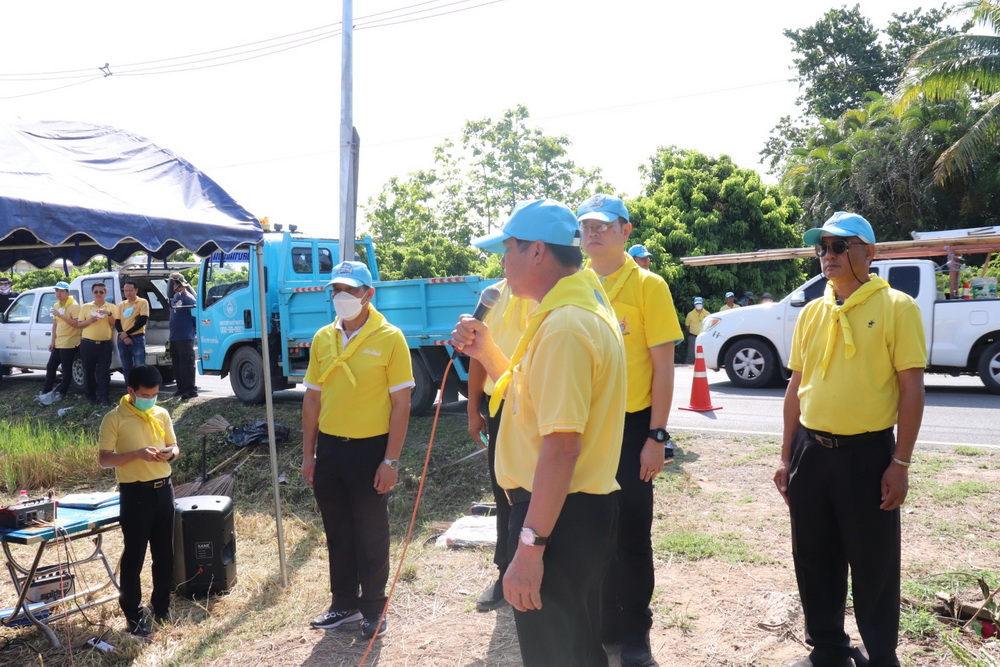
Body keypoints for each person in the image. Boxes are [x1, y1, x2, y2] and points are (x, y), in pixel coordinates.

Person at [452, 198, 626, 667]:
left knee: (555, 654)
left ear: (536, 252)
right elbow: (530, 398)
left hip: (556, 517)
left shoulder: (565, 326)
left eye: (508, 249)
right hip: (567, 513)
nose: (503, 263)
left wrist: (530, 549)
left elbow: (562, 448)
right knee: (578, 649)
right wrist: (487, 352)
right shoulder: (570, 310)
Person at [774, 212, 926, 667]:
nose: (829, 255)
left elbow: (911, 388)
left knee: (874, 561)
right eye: (822, 247)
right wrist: (785, 455)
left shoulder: (897, 307)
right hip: (811, 451)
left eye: (840, 246)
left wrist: (900, 463)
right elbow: (796, 386)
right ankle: (829, 648)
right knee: (813, 555)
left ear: (869, 252)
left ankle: (881, 654)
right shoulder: (813, 311)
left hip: (867, 454)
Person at [577, 193, 682, 667]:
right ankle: (604, 624)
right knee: (590, 531)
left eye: (603, 225)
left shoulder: (648, 286)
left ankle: (636, 629)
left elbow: (663, 368)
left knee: (632, 535)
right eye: (587, 226)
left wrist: (656, 437)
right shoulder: (574, 284)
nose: (593, 232)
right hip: (583, 430)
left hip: (632, 427)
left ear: (626, 231)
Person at [301, 260, 414, 639]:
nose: (342, 297)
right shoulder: (323, 337)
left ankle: (375, 609)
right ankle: (344, 603)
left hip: (371, 451)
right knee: (338, 530)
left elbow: (401, 404)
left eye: (350, 290)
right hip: (331, 449)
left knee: (371, 532)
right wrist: (309, 454)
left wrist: (390, 460)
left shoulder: (390, 338)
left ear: (369, 294)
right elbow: (312, 399)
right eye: (337, 290)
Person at [466, 279, 537, 612]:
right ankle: (504, 570)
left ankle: (535, 568)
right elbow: (478, 356)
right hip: (499, 406)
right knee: (504, 490)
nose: (507, 261)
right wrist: (473, 409)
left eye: (512, 253)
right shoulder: (493, 296)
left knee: (536, 490)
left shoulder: (548, 292)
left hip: (537, 405)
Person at [98, 365, 179, 637]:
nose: (151, 400)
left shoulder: (161, 413)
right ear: (131, 391)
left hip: (163, 489)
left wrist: (170, 454)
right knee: (135, 554)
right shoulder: (114, 418)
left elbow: (174, 446)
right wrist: (137, 454)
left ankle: (162, 607)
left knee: (164, 553)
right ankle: (133, 613)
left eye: (155, 395)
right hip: (135, 493)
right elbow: (104, 459)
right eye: (145, 395)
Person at [39, 280, 81, 405]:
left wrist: (61, 315)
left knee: (66, 369)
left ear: (68, 292)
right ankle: (46, 391)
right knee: (51, 366)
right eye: (57, 291)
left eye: (62, 291)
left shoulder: (74, 305)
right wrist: (52, 341)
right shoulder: (56, 305)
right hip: (59, 341)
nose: (58, 293)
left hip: (70, 341)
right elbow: (55, 325)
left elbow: (76, 324)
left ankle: (62, 392)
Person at [77, 282, 118, 407]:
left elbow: (115, 324)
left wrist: (108, 313)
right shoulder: (86, 307)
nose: (98, 294)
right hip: (88, 344)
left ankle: (104, 398)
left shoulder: (111, 307)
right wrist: (90, 320)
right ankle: (91, 397)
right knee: (88, 371)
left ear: (106, 293)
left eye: (101, 292)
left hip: (105, 345)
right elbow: (79, 324)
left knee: (104, 372)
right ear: (92, 293)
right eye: (96, 292)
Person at [168, 272, 198, 400]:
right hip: (174, 336)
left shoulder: (188, 298)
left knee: (187, 364)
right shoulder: (174, 298)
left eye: (174, 284)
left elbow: (195, 317)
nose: (172, 287)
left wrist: (193, 331)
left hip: (185, 336)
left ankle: (190, 390)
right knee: (177, 364)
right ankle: (180, 388)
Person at [116, 280, 150, 382]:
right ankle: (129, 388)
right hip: (123, 339)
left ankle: (141, 388)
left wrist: (127, 333)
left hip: (137, 338)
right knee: (126, 367)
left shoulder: (142, 302)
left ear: (136, 290)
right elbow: (117, 322)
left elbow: (142, 321)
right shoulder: (122, 304)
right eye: (125, 291)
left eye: (130, 290)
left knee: (140, 366)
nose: (128, 293)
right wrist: (124, 336)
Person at [684, 296, 709, 365]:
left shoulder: (707, 314)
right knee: (691, 354)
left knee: (704, 353)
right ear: (694, 304)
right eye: (697, 304)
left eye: (700, 303)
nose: (698, 305)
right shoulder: (690, 314)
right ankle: (688, 367)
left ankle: (705, 366)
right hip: (693, 337)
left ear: (703, 304)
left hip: (704, 337)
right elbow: (687, 325)